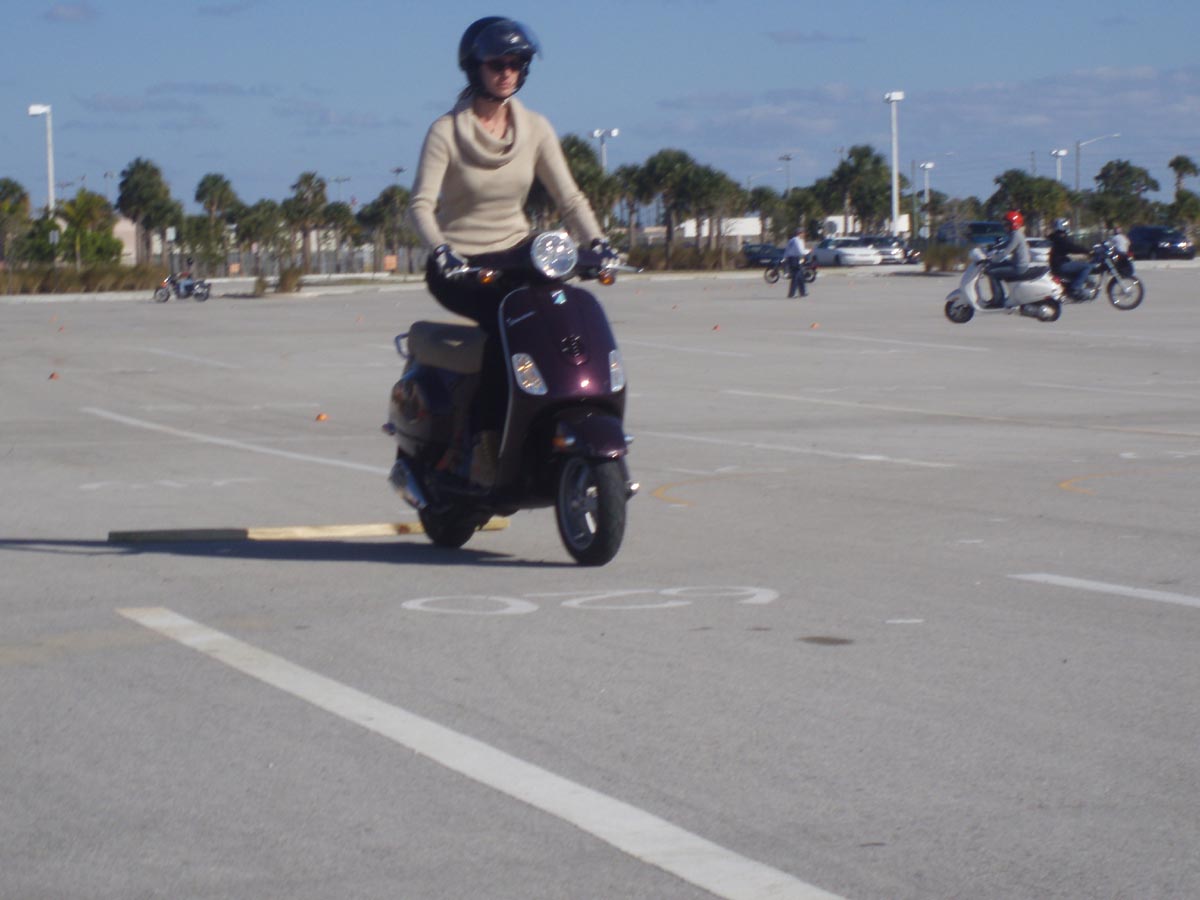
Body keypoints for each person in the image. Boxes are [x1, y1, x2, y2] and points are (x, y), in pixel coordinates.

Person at [407, 16, 607, 487]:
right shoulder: (445, 132)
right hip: (461, 264)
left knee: (563, 315)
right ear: (474, 67)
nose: (507, 72)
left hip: (518, 256)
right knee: (508, 330)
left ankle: (554, 421)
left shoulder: (535, 128)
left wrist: (597, 242)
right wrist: (441, 250)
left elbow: (569, 198)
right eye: (497, 64)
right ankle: (483, 444)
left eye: (516, 64)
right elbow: (420, 205)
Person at [984, 209, 1031, 306]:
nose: (1005, 226)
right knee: (994, 267)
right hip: (1016, 264)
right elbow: (1006, 244)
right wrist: (995, 247)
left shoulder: (1016, 235)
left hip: (1019, 267)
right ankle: (999, 298)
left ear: (1013, 224)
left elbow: (1006, 252)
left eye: (1006, 224)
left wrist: (992, 259)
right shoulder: (1015, 234)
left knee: (992, 272)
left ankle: (998, 300)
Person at [1048, 218, 1092, 300]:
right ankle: (1075, 289)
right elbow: (1071, 247)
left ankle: (1073, 287)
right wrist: (1087, 251)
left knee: (1077, 265)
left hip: (1057, 263)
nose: (1067, 226)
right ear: (1060, 226)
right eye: (1065, 225)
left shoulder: (1055, 237)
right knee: (1087, 266)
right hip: (1060, 265)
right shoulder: (1060, 238)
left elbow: (1070, 247)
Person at [783, 228, 809, 298]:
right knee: (796, 275)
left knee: (800, 275)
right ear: (799, 233)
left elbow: (787, 250)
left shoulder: (793, 240)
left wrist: (785, 258)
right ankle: (792, 294)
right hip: (794, 258)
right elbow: (800, 251)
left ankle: (802, 292)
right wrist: (808, 251)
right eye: (803, 233)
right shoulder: (797, 240)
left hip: (793, 258)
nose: (804, 235)